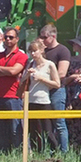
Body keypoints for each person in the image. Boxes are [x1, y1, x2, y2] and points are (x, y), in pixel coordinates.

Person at [21, 40, 60, 153]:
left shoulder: (49, 65)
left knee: (48, 131)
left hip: (44, 101)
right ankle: (37, 153)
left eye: (35, 51)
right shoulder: (30, 64)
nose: (33, 54)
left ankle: (54, 153)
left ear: (41, 51)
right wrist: (28, 73)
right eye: (30, 51)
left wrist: (42, 79)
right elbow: (22, 81)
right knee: (33, 131)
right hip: (31, 100)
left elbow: (57, 84)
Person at [37, 24, 71, 153]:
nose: (42, 40)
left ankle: (63, 152)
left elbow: (62, 73)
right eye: (40, 37)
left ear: (53, 36)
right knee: (46, 124)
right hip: (43, 91)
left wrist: (43, 77)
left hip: (57, 91)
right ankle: (49, 151)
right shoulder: (43, 52)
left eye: (44, 37)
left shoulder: (62, 51)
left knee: (59, 123)